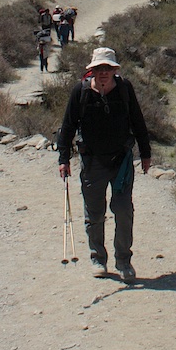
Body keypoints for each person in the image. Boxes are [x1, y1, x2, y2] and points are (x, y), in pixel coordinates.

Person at [57, 48, 151, 281]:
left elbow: (138, 122)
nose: (103, 73)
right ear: (92, 71)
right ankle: (98, 258)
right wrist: (63, 158)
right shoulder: (80, 92)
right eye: (99, 69)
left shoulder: (125, 90)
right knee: (95, 214)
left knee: (123, 211)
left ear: (114, 70)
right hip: (92, 163)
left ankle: (123, 261)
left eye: (107, 68)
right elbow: (68, 126)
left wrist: (146, 153)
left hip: (121, 162)